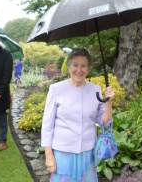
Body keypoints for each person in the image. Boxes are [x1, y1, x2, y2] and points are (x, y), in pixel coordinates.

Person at [41, 48, 115, 181]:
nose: (79, 70)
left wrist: (109, 102)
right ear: (69, 66)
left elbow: (104, 122)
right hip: (62, 155)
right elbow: (47, 125)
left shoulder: (95, 90)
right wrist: (48, 155)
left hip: (87, 154)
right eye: (75, 65)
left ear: (88, 68)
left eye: (83, 66)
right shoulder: (56, 89)